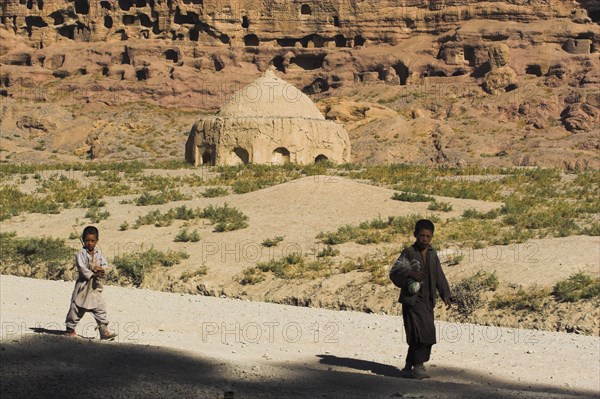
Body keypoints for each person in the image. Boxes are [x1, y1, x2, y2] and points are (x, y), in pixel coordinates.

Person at [390, 219, 451, 379]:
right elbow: (395, 273)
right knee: (423, 332)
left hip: (428, 300)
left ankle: (409, 365)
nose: (424, 239)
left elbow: (439, 274)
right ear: (415, 235)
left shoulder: (432, 253)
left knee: (422, 331)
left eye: (428, 236)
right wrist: (410, 273)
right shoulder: (409, 253)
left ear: (432, 237)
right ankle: (418, 366)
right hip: (413, 300)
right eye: (421, 236)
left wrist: (445, 293)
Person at [64, 226, 117, 340]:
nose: (90, 243)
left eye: (92, 241)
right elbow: (82, 268)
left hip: (94, 286)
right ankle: (70, 328)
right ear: (83, 240)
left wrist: (101, 270)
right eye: (87, 240)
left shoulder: (98, 254)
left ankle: (103, 330)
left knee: (100, 307)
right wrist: (92, 273)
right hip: (83, 285)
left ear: (97, 241)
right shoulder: (81, 254)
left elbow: (105, 265)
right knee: (77, 307)